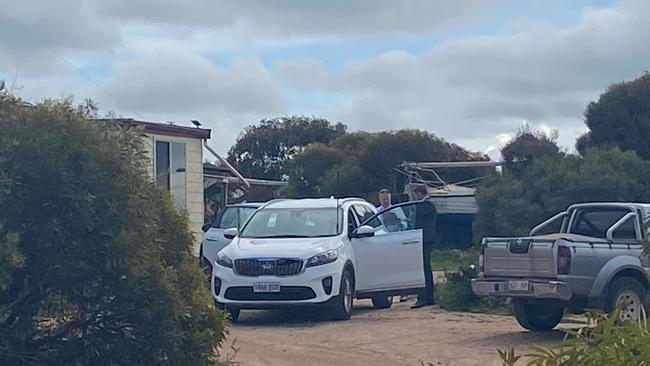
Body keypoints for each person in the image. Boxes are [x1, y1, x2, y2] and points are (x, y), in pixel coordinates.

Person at [411, 185, 437, 309]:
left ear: (420, 193)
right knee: (425, 267)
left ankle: (424, 296)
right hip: (425, 239)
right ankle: (428, 296)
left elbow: (417, 221)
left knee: (423, 267)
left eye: (416, 194)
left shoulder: (426, 205)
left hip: (424, 240)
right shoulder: (428, 205)